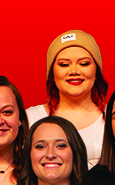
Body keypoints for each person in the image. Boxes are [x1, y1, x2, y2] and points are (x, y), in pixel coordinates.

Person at [27, 30, 110, 165]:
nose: (74, 71)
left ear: (96, 72)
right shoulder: (30, 119)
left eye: (84, 63)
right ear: (52, 74)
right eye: (64, 64)